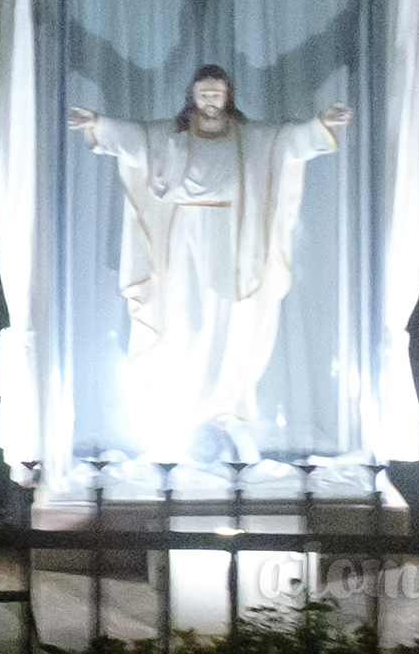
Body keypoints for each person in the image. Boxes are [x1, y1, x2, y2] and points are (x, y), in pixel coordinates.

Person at [68, 64, 352, 461]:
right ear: (193, 96)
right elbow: (136, 139)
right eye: (203, 93)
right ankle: (181, 401)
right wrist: (98, 123)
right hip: (185, 236)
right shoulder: (174, 137)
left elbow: (287, 140)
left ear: (228, 96)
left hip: (232, 240)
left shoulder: (248, 138)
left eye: (217, 93)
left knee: (226, 321)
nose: (210, 100)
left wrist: (320, 123)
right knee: (183, 316)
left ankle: (223, 406)